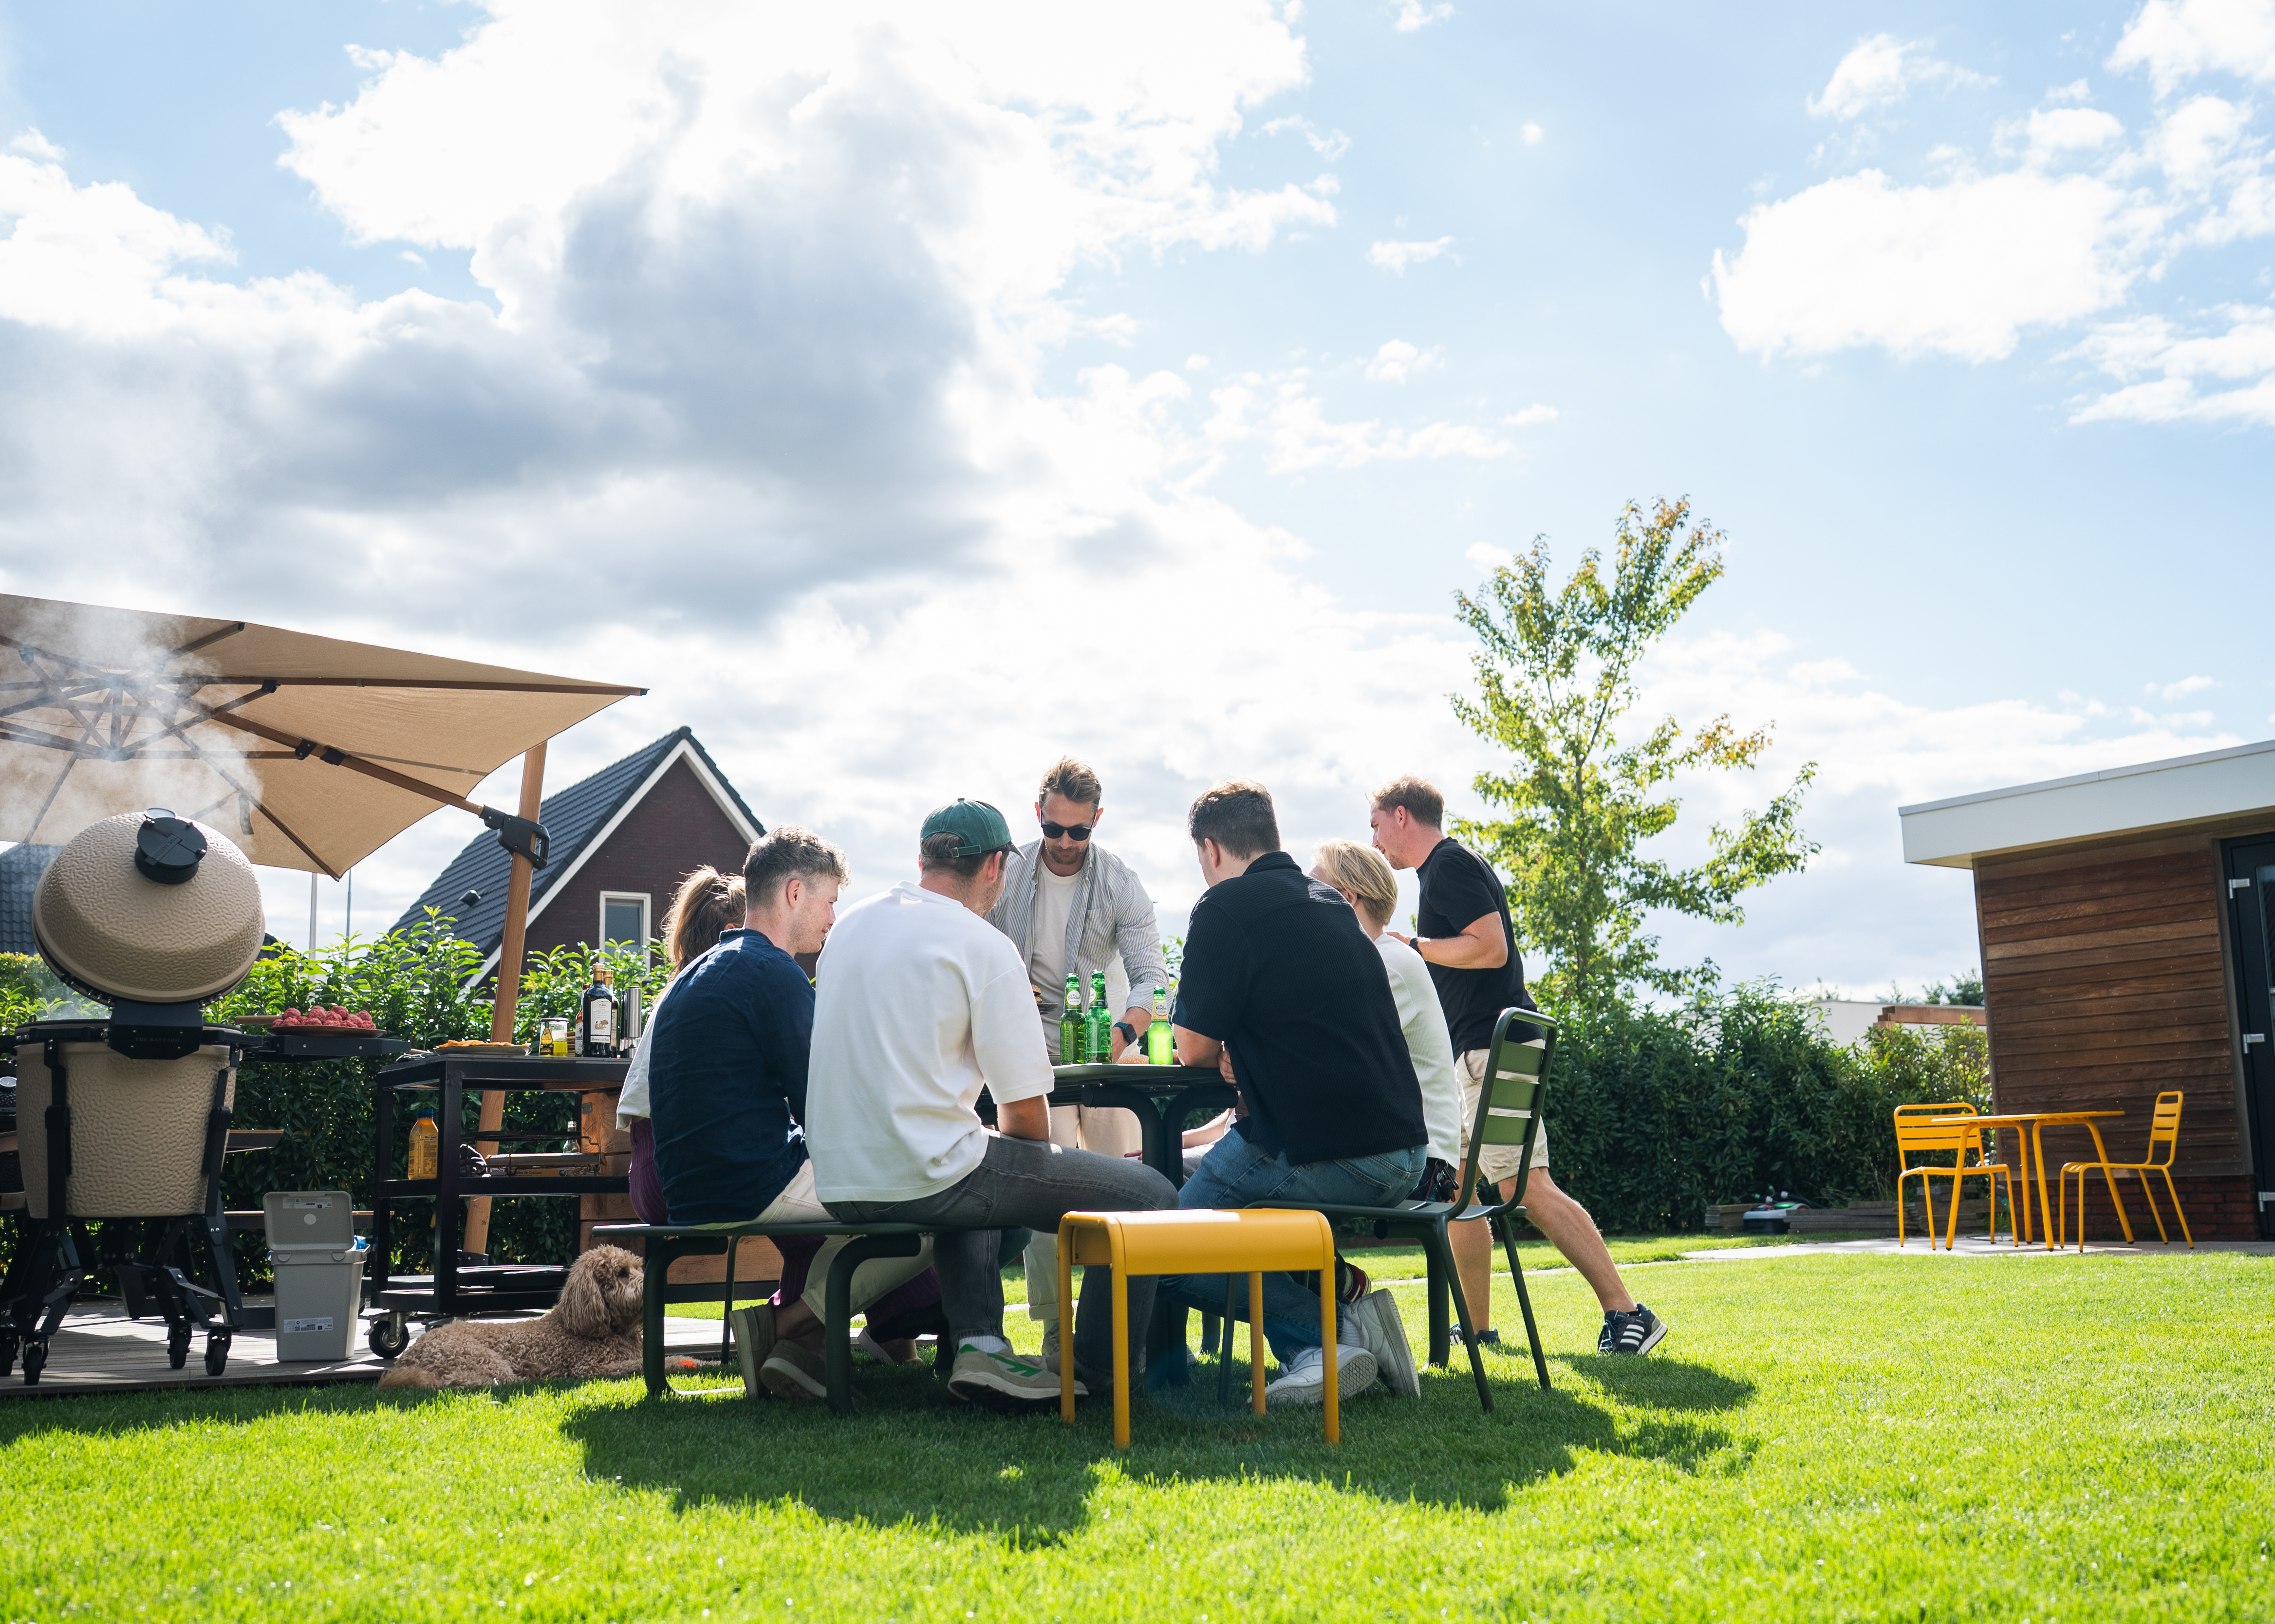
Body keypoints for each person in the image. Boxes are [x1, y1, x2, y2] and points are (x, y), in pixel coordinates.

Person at [807, 797, 1177, 1414]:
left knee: (974, 1151)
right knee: (1149, 1195)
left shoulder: (849, 927)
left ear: (923, 860)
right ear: (995, 869)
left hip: (839, 1177)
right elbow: (1027, 1117)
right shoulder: (982, 945)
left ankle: (980, 1345)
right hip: (922, 1174)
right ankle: (1094, 1375)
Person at [1368, 775, 1668, 1356]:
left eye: (1376, 826)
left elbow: (1491, 947)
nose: (1375, 841)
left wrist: (1416, 948)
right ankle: (1477, 1329)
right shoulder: (1440, 873)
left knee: (1526, 1187)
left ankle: (1629, 1313)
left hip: (1495, 1050)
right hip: (1472, 1056)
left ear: (1402, 816)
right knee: (1454, 1189)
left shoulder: (1450, 867)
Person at [645, 827, 937, 1399]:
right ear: (796, 894)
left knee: (863, 1217)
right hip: (749, 1183)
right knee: (935, 1209)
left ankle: (797, 1352)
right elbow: (827, 1105)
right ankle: (781, 1327)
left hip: (688, 1190)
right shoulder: (772, 972)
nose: (834, 918)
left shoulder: (700, 972)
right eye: (830, 901)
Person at [1162, 781, 1427, 1406]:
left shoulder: (1225, 908)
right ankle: (1342, 1333)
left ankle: (1326, 1339)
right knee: (1213, 1213)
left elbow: (1193, 1050)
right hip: (1404, 1153)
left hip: (1321, 1150)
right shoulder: (1330, 904)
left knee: (1164, 1248)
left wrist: (1225, 1049)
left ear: (1209, 849)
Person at [986, 757, 1173, 1356]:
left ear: (1098, 820)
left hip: (1108, 1053)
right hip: (1026, 1052)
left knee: (1123, 1192)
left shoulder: (1121, 881)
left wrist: (1122, 1034)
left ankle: (1121, 1336)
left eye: (1080, 832)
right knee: (1045, 1194)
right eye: (1054, 829)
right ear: (1038, 815)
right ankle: (1052, 1334)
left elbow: (1153, 977)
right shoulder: (1003, 873)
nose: (1066, 843)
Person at [1309, 840, 1464, 1195]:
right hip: (1410, 1152)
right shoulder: (1381, 958)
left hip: (1416, 1162)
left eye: (1313, 890)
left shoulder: (1385, 966)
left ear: (1347, 898)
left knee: (1260, 1175)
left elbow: (1326, 1056)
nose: (1304, 900)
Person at [618, 866, 745, 1227]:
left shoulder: (679, 992)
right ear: (733, 935)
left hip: (650, 1179)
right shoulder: (718, 994)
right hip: (683, 1179)